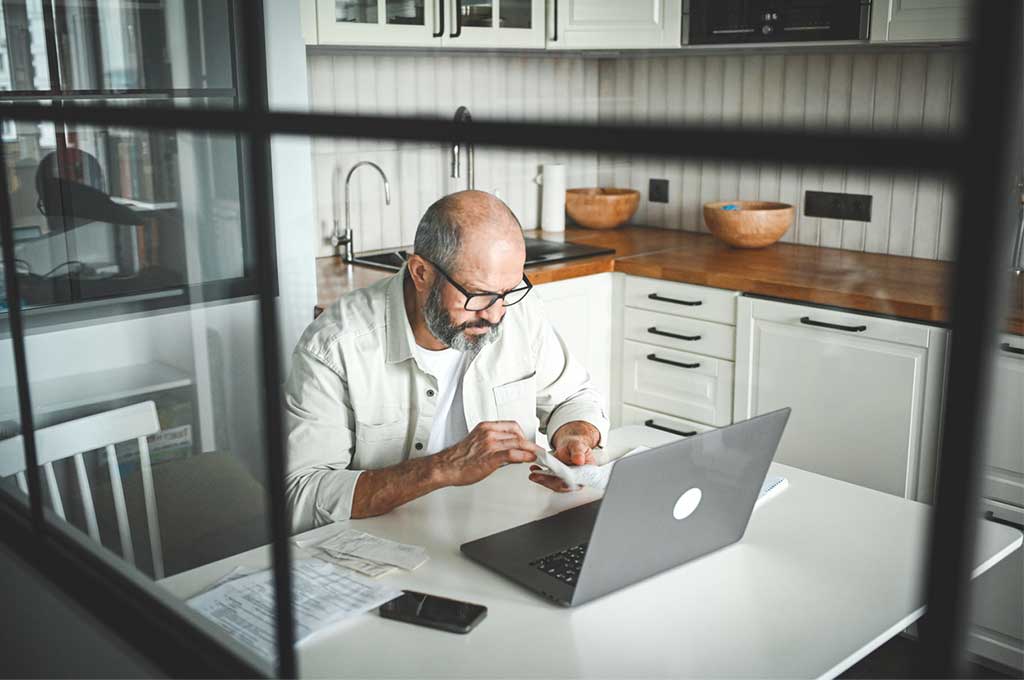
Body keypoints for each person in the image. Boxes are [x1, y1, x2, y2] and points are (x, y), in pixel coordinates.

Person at [283, 190, 608, 532]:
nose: (496, 314)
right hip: (383, 549)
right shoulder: (335, 346)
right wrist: (441, 468)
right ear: (421, 273)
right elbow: (299, 496)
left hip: (504, 529)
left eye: (507, 292)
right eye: (477, 294)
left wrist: (575, 439)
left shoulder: (517, 310)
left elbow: (574, 399)